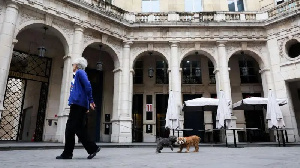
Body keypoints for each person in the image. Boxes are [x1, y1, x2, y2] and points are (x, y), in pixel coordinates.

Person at [56, 57, 100, 159]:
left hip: (78, 105)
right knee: (78, 129)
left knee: (70, 129)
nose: (72, 66)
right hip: (78, 104)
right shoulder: (77, 75)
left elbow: (88, 86)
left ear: (77, 65)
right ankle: (92, 148)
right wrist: (88, 102)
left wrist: (91, 101)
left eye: (73, 64)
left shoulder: (80, 72)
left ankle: (68, 153)